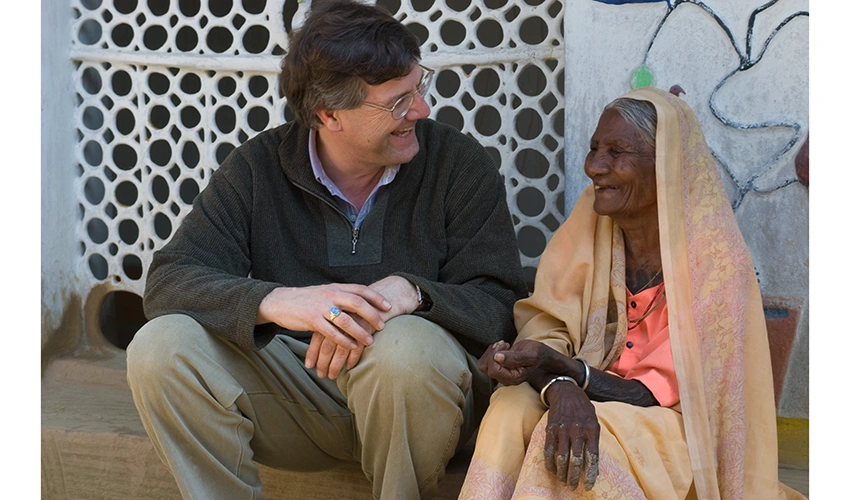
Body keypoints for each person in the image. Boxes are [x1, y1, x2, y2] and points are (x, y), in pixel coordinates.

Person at [125, 1, 528, 498]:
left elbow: (501, 309)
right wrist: (277, 301)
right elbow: (169, 279)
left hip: (422, 409)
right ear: (328, 115)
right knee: (159, 346)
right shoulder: (258, 168)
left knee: (403, 350)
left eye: (419, 87)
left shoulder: (457, 163)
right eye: (397, 103)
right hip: (296, 403)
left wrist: (414, 294)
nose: (420, 110)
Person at [458, 87, 805, 499]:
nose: (595, 167)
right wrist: (558, 384)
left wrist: (565, 375)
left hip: (668, 424)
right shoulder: (589, 223)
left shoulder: (713, 258)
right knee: (509, 408)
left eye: (617, 152)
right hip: (580, 388)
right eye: (594, 149)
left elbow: (651, 395)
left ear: (665, 165)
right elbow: (546, 325)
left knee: (579, 442)